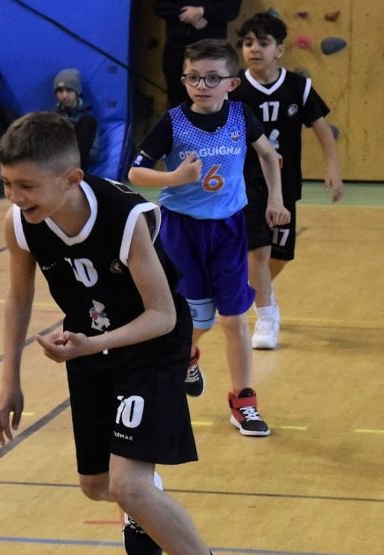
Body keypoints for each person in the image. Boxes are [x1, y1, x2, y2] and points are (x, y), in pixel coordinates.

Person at [0, 111, 256, 555]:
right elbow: (19, 297)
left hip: (151, 347)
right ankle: (142, 508)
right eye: (7, 184)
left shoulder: (126, 217)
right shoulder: (20, 223)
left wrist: (93, 344)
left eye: (26, 186)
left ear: (71, 178)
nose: (15, 196)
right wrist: (9, 379)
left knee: (127, 485)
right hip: (92, 346)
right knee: (97, 486)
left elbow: (162, 315)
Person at [127, 39, 290, 437]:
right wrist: (174, 178)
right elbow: (135, 173)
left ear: (231, 83)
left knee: (234, 318)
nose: (202, 85)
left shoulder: (241, 116)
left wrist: (275, 198)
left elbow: (269, 155)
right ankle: (186, 356)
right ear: (184, 80)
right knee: (197, 319)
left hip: (229, 229)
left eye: (213, 78)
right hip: (182, 230)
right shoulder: (172, 122)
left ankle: (243, 401)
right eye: (194, 77)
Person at [233, 12, 344, 349]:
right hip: (247, 184)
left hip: (285, 184)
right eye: (248, 43)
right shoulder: (233, 89)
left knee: (280, 255)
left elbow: (322, 129)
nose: (254, 49)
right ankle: (266, 318)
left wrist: (333, 167)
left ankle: (264, 290)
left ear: (279, 50)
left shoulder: (298, 87)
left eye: (263, 43)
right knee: (257, 251)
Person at [154, 1, 242, 107]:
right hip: (177, 48)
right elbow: (160, 6)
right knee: (177, 99)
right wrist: (186, 15)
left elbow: (231, 8)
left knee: (212, 99)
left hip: (213, 50)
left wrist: (202, 11)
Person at [51, 68, 98, 171]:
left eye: (69, 90)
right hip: (52, 164)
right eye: (60, 91)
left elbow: (93, 155)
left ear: (77, 92)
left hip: (75, 166)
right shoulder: (51, 115)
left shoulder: (88, 118)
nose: (64, 95)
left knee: (88, 122)